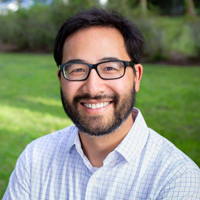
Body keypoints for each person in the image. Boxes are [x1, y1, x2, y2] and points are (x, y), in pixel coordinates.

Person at [3, 8, 200, 200]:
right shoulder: (34, 158)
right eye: (77, 69)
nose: (93, 88)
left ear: (136, 77)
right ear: (61, 79)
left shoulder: (177, 180)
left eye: (110, 68)